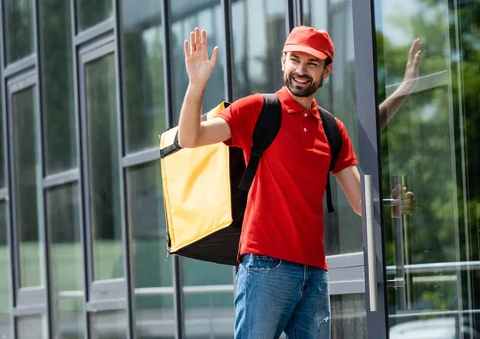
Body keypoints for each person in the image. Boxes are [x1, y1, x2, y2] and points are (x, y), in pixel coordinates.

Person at [177, 26, 421, 339]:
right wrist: (196, 84)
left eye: (312, 63)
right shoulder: (257, 110)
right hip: (265, 267)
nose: (301, 71)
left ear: (327, 70)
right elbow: (190, 137)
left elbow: (361, 203)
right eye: (295, 60)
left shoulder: (332, 129)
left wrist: (391, 206)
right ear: (283, 61)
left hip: (314, 273)